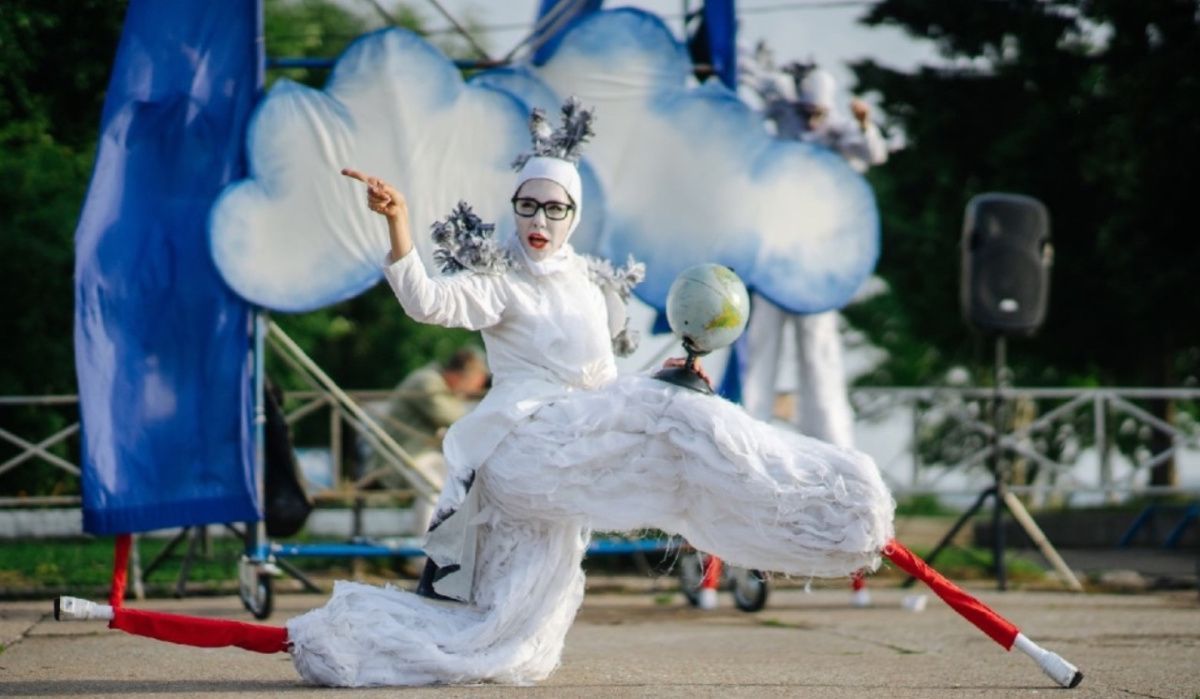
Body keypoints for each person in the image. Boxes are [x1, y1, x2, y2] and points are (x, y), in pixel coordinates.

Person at [54, 100, 1081, 690]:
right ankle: (827, 512)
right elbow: (425, 299)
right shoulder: (500, 284)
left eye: (552, 206)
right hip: (524, 444)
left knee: (518, 647)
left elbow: (610, 381)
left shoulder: (592, 286)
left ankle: (331, 636)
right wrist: (400, 224)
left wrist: (673, 372)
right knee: (671, 422)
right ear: (513, 210)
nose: (537, 218)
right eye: (526, 205)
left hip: (575, 449)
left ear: (575, 213)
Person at [738, 62, 889, 607]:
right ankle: (744, 445)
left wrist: (864, 122)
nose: (811, 120)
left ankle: (839, 466)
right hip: (775, 265)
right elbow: (750, 93)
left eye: (818, 112)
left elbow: (875, 153)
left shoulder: (835, 136)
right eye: (807, 111)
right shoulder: (781, 115)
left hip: (815, 272)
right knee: (757, 367)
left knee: (822, 376)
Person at [367, 346, 488, 534]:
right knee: (435, 483)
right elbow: (456, 419)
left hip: (418, 456)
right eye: (475, 384)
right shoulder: (426, 382)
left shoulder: (436, 384)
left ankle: (451, 538)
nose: (474, 391)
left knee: (464, 477)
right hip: (399, 459)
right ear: (463, 375)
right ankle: (426, 543)